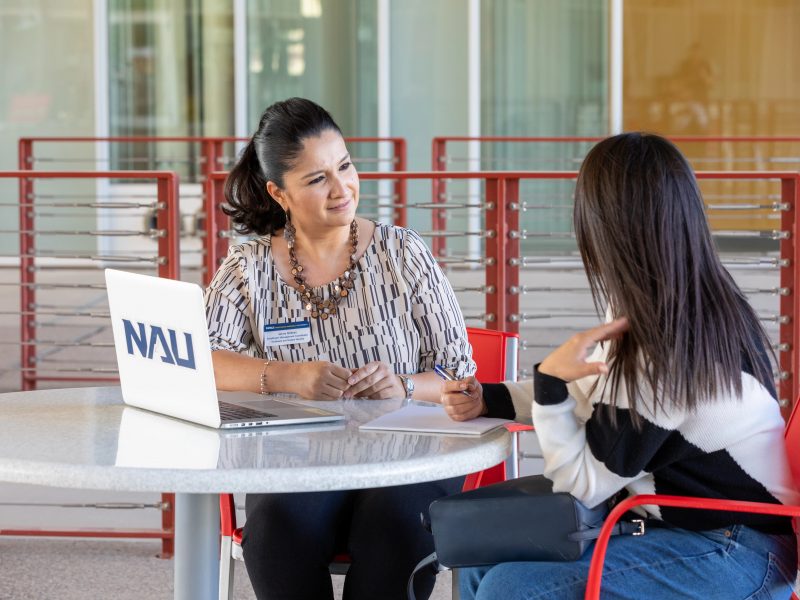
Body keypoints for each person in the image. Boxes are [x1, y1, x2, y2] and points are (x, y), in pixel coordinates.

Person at [441, 133, 798, 600]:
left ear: (604, 225)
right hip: (675, 525)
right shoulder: (678, 300)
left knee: (512, 588)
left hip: (739, 550)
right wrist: (491, 397)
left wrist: (550, 386)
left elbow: (583, 484)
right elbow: (596, 396)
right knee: (482, 560)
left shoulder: (670, 343)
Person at [203, 97, 475, 600]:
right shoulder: (248, 267)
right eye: (315, 179)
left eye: (344, 166)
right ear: (278, 193)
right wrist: (288, 376)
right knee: (275, 534)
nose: (341, 188)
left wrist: (406, 384)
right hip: (298, 460)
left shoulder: (403, 253)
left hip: (408, 458)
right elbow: (205, 361)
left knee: (393, 531)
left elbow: (462, 376)